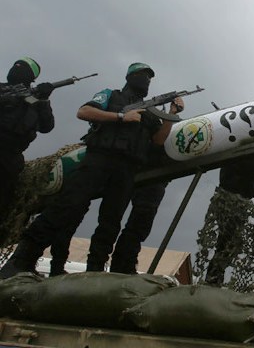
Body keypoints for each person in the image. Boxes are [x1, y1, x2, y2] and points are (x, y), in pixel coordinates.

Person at [0, 62, 183, 278]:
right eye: (142, 75)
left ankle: (95, 271)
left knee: (110, 222)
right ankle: (23, 258)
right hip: (98, 159)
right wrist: (121, 117)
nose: (146, 81)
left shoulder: (150, 111)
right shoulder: (110, 95)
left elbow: (158, 140)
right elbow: (84, 111)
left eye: (149, 78)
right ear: (130, 76)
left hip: (127, 169)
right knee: (66, 207)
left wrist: (170, 114)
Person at [0, 58, 55, 245]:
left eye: (22, 68)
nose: (16, 69)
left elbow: (47, 127)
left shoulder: (35, 100)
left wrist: (44, 100)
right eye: (15, 65)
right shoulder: (3, 90)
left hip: (11, 158)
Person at [204, 155, 254, 286]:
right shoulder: (243, 154)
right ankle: (212, 282)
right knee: (226, 246)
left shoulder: (240, 152)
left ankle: (214, 281)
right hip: (231, 202)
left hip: (236, 202)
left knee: (228, 246)